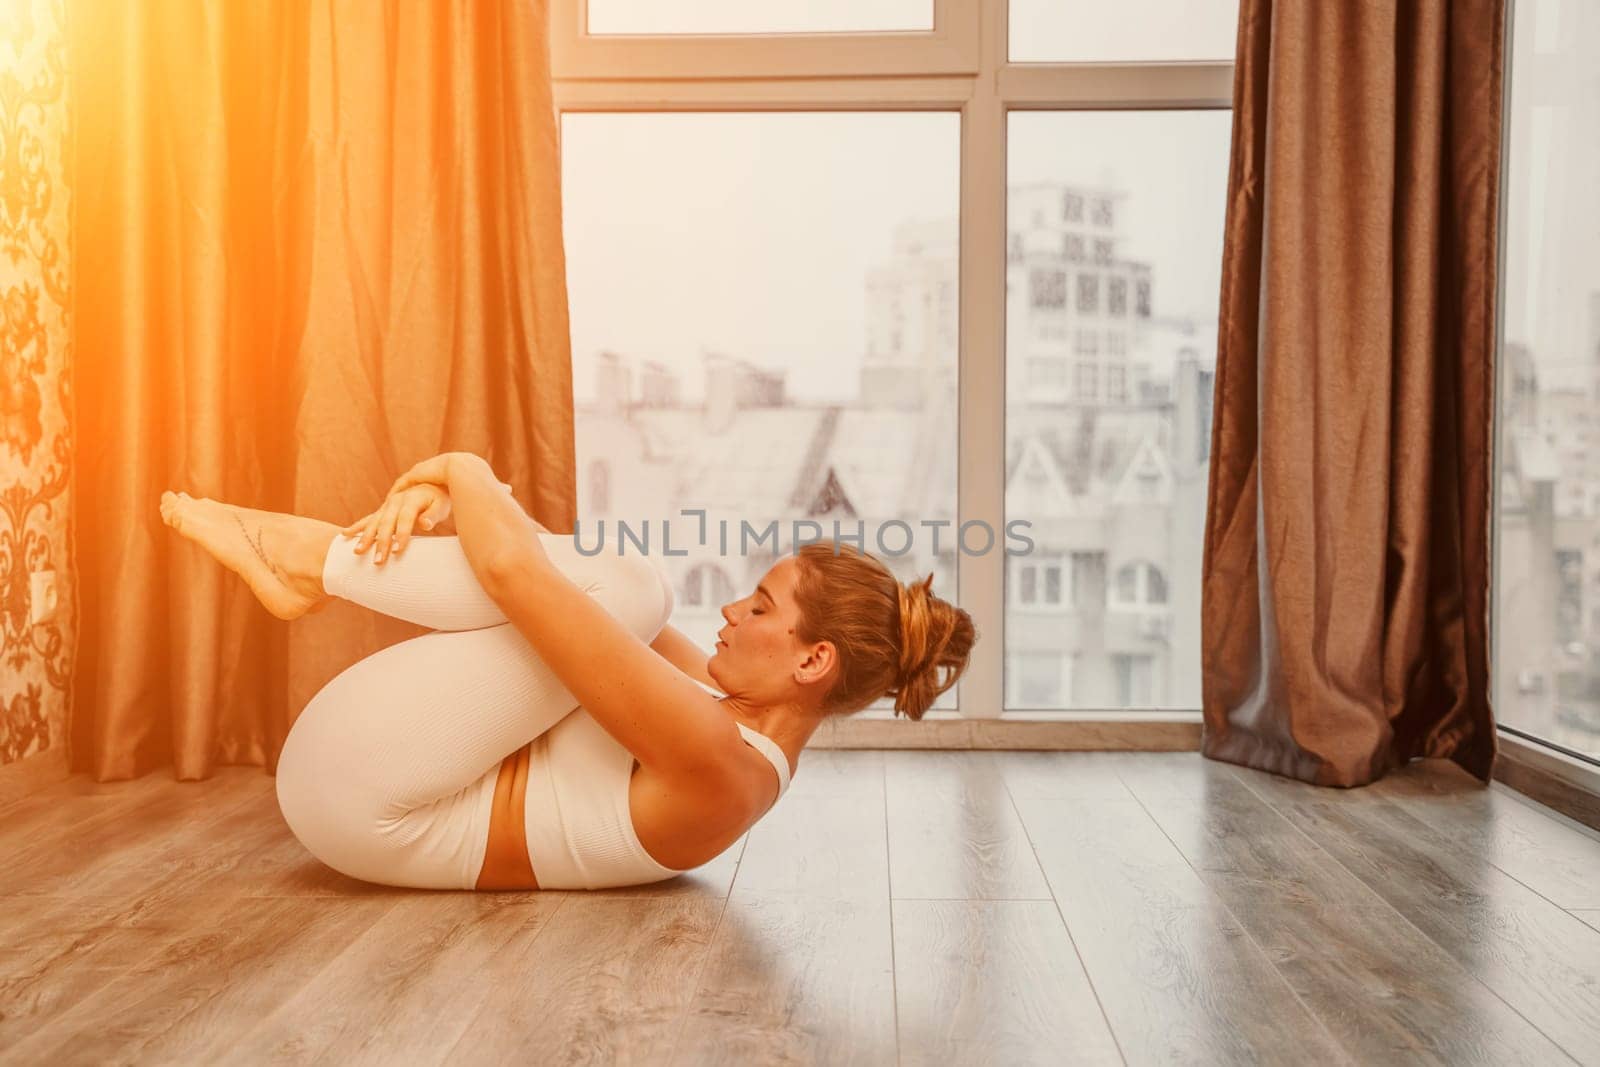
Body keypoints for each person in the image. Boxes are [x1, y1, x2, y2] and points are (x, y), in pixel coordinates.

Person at [157, 451, 976, 890]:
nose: (730, 612)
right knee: (630, 594)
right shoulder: (720, 715)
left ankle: (312, 558)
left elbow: (522, 577)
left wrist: (461, 467)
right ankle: (313, 562)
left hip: (363, 801)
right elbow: (558, 589)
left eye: (760, 607)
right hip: (373, 777)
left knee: (636, 587)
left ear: (813, 659)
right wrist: (457, 492)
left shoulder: (723, 764)